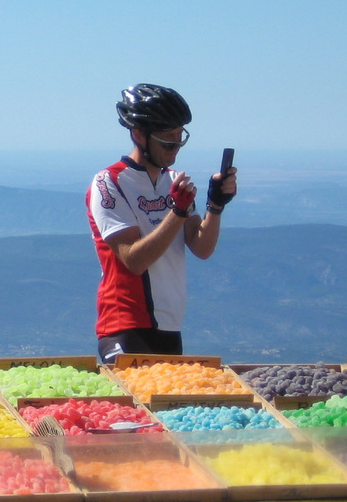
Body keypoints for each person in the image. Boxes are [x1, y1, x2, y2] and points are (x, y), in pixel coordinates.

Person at [87, 83, 237, 363]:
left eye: (180, 140)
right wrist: (177, 213)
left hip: (170, 325)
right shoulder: (108, 182)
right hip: (125, 325)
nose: (175, 149)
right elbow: (133, 260)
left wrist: (215, 206)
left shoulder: (173, 180)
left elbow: (202, 247)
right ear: (138, 134)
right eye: (168, 141)